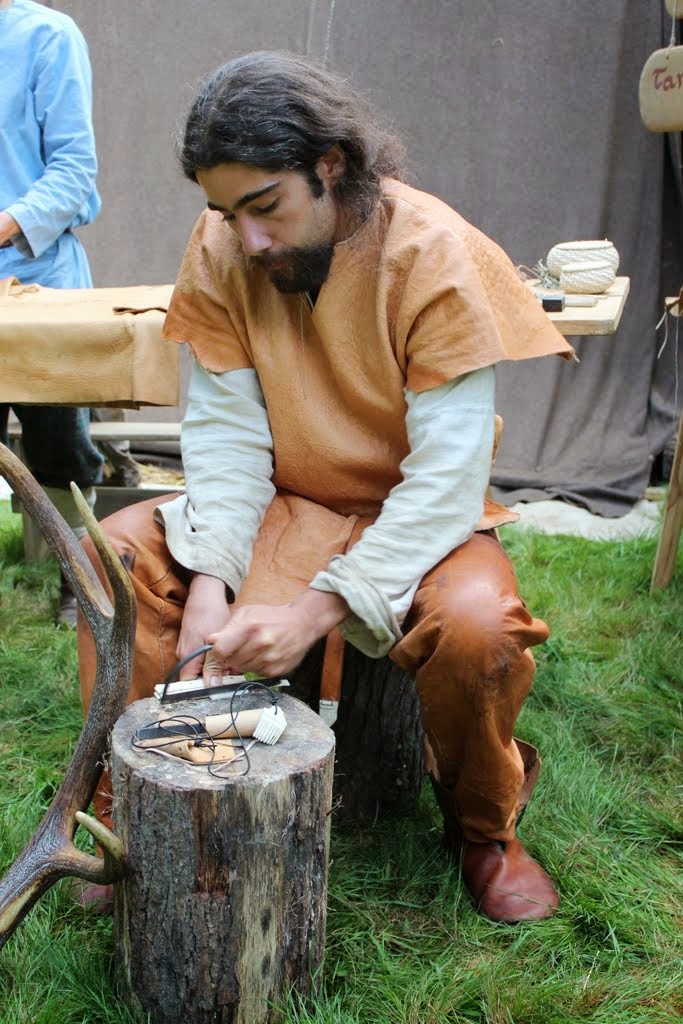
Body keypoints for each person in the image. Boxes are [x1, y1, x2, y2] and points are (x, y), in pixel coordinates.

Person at [78, 51, 575, 922]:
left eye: (266, 205)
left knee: (476, 629)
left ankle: (485, 829)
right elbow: (229, 435)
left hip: (414, 513)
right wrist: (210, 583)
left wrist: (314, 612)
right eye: (225, 211)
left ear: (332, 166)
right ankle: (132, 803)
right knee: (116, 553)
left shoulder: (436, 252)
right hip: (284, 504)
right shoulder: (225, 242)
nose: (249, 238)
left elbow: (448, 475)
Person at [0, 0, 104, 626]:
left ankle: (80, 578)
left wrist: (7, 224)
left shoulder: (46, 38)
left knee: (59, 445)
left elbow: (73, 173)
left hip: (38, 284)